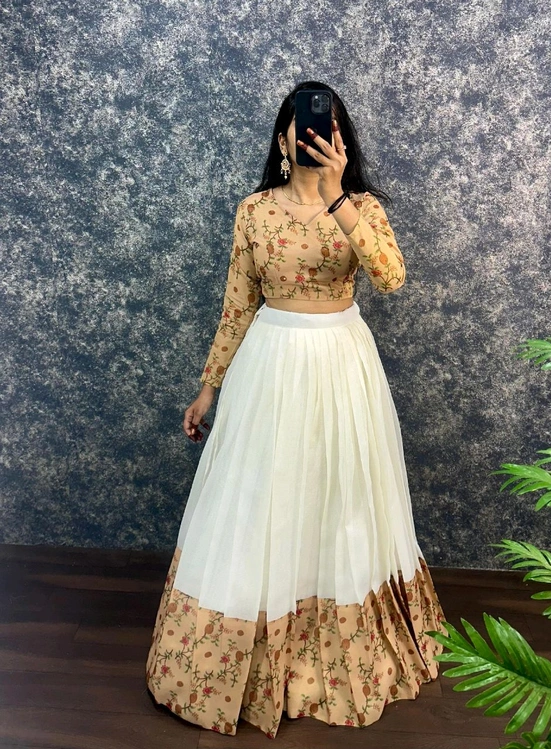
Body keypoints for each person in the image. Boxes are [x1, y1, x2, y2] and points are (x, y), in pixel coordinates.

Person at [145, 80, 447, 739]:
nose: (312, 137)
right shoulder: (254, 211)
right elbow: (237, 305)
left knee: (341, 499)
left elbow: (391, 277)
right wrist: (208, 386)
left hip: (342, 365)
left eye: (326, 128)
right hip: (270, 365)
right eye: (302, 127)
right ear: (283, 138)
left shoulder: (361, 207)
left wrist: (339, 198)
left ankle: (331, 647)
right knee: (265, 498)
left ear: (341, 139)